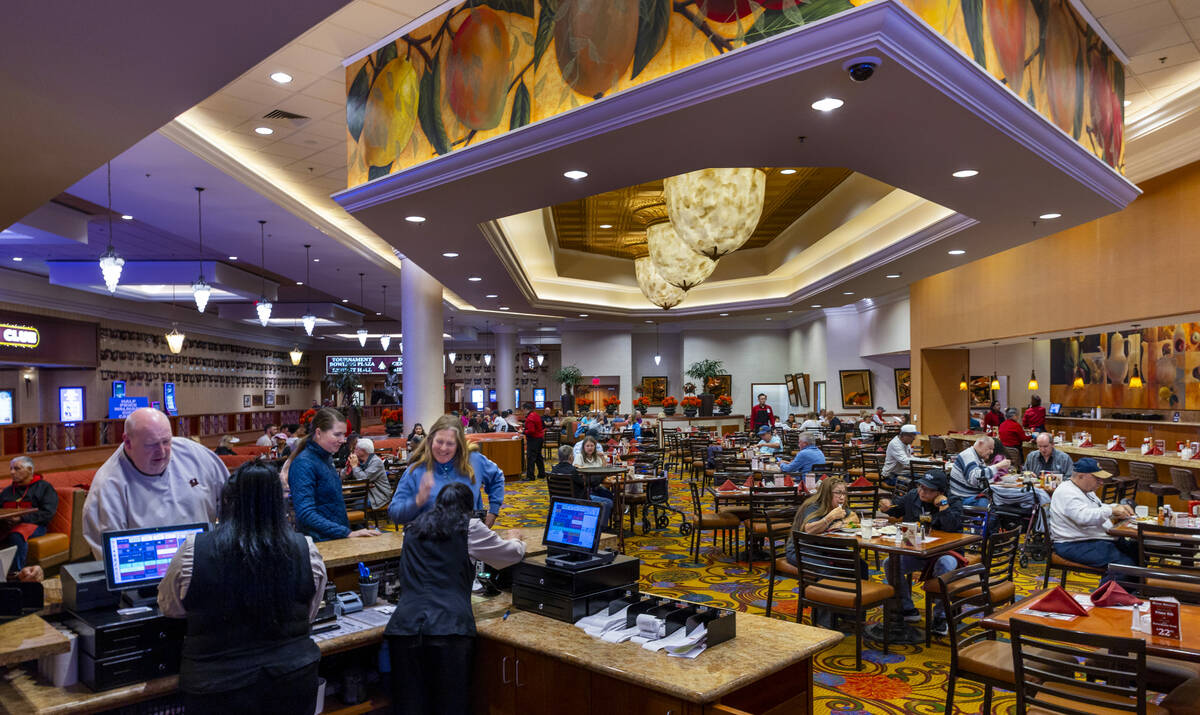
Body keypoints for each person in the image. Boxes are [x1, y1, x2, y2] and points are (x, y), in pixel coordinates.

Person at [158, 462, 326, 714]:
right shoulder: (305, 548)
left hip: (217, 687)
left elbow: (170, 607)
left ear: (228, 501)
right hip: (292, 677)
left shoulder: (195, 550)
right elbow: (310, 610)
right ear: (279, 504)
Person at [385, 482, 525, 715]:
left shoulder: (412, 527)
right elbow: (508, 556)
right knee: (450, 705)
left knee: (409, 705)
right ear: (469, 509)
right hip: (448, 629)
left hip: (405, 628)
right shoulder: (469, 527)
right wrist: (516, 539)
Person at [83, 408, 229, 559]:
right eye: (151, 444)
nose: (162, 451)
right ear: (127, 442)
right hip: (149, 574)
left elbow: (233, 505)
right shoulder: (107, 488)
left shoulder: (196, 456)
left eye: (166, 441)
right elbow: (113, 561)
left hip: (204, 562)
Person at [878, 470, 962, 636]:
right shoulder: (912, 496)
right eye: (921, 487)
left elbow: (953, 527)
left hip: (946, 552)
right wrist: (886, 505)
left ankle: (941, 616)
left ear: (940, 492)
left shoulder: (953, 501)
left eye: (928, 490)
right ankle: (907, 608)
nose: (922, 492)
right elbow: (895, 508)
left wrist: (943, 506)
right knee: (890, 563)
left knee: (945, 565)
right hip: (916, 551)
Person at [389, 414, 506, 527]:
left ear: (459, 445)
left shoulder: (474, 460)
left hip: (469, 542)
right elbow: (395, 513)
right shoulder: (416, 470)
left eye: (450, 443)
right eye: (439, 442)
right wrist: (418, 501)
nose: (443, 448)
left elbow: (497, 477)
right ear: (430, 441)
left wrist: (493, 511)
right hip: (430, 544)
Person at [286, 407, 381, 542]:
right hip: (320, 542)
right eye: (337, 434)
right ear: (318, 433)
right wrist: (346, 532)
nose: (343, 440)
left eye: (344, 434)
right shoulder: (303, 463)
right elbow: (306, 514)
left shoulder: (326, 458)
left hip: (335, 537)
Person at [1048, 458, 1136, 583]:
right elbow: (1083, 518)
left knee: (1135, 549)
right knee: (1124, 566)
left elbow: (1098, 508)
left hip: (1089, 538)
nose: (1101, 482)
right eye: (1097, 478)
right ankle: (1103, 599)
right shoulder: (1066, 492)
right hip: (1072, 544)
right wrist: (1112, 511)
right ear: (1081, 476)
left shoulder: (1085, 490)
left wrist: (1116, 507)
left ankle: (1132, 593)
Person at [0, 457, 57, 572]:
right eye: (11, 469)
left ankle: (16, 574)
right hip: (8, 525)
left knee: (16, 535)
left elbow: (47, 513)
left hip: (35, 525)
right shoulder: (7, 491)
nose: (12, 472)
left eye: (17, 469)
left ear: (30, 469)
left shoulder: (44, 487)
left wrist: (21, 518)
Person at [554, 445, 613, 530]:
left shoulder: (554, 470)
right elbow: (587, 484)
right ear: (571, 457)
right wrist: (603, 475)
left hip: (558, 500)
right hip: (578, 500)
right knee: (608, 502)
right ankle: (601, 530)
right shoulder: (573, 471)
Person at [947, 436, 1009, 508]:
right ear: (980, 444)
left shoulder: (978, 457)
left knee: (1001, 499)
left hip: (969, 495)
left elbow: (983, 478)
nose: (992, 452)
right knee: (995, 508)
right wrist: (998, 466)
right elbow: (974, 479)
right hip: (962, 498)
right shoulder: (968, 455)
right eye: (990, 448)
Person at [346, 438, 391, 510]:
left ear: (363, 451)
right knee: (342, 501)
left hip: (377, 496)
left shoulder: (376, 462)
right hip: (362, 492)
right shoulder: (358, 460)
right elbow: (343, 476)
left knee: (354, 506)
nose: (354, 451)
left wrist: (354, 466)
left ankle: (360, 521)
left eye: (356, 449)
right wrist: (348, 465)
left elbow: (363, 479)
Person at [523, 402, 546, 482]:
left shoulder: (530, 418)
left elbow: (531, 431)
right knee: (538, 457)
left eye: (523, 410)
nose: (523, 411)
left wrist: (523, 432)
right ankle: (542, 473)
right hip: (539, 438)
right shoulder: (536, 415)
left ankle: (530, 476)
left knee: (531, 458)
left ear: (526, 409)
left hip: (533, 439)